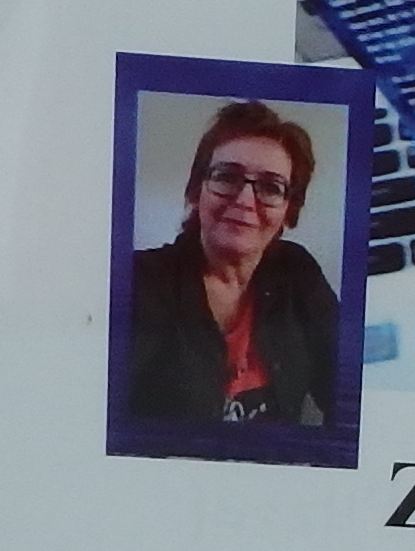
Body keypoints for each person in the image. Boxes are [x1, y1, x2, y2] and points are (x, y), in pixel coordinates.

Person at [122, 101, 342, 427]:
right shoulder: (138, 281)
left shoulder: (298, 272)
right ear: (197, 191)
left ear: (289, 211)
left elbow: (350, 392)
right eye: (227, 177)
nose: (244, 200)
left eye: (271, 187)